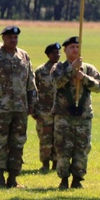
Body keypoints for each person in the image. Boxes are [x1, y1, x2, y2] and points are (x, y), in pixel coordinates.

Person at [0, 26, 39, 188]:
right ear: (3, 38)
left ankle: (13, 178)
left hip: (20, 109)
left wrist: (32, 103)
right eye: (10, 37)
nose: (13, 39)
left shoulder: (23, 56)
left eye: (15, 37)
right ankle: (0, 178)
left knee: (17, 143)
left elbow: (30, 83)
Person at [50, 36, 100, 190]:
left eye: (77, 46)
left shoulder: (88, 68)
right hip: (63, 116)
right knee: (63, 148)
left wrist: (84, 78)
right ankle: (63, 179)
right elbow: (56, 82)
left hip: (83, 116)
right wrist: (71, 70)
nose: (75, 49)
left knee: (82, 148)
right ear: (65, 50)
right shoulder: (59, 67)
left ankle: (78, 179)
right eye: (72, 47)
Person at [34, 42, 62, 173]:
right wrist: (34, 110)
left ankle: (56, 163)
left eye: (58, 52)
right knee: (45, 138)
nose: (57, 55)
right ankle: (45, 163)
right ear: (48, 55)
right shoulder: (40, 71)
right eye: (54, 53)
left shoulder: (63, 69)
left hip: (59, 110)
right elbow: (34, 90)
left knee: (58, 138)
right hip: (44, 111)